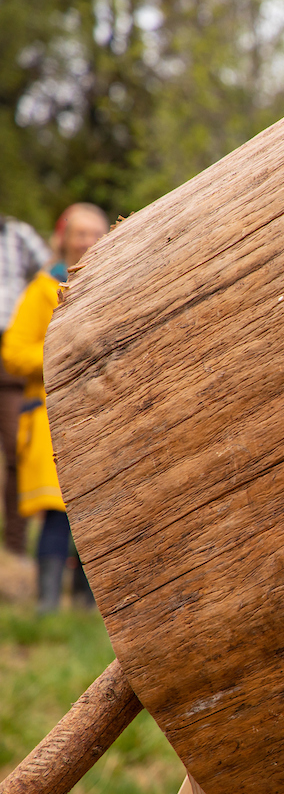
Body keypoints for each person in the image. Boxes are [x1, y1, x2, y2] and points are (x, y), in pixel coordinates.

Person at [4, 203, 107, 612]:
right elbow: (13, 352)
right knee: (57, 514)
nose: (88, 241)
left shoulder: (113, 283)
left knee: (96, 511)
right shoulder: (43, 289)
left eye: (96, 233)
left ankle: (86, 606)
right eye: (80, 233)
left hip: (99, 414)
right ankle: (48, 606)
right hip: (49, 417)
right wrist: (60, 355)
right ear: (63, 237)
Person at [0, 216, 50, 557]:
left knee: (16, 449)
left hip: (8, 350)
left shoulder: (18, 234)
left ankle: (15, 549)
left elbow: (47, 265)